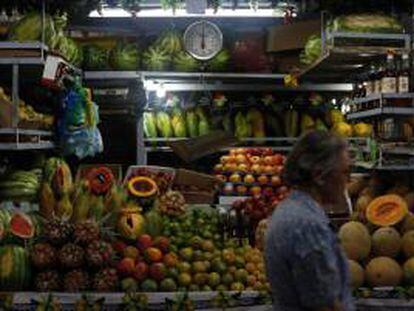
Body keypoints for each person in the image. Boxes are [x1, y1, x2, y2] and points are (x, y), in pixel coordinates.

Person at [265, 130, 354, 311]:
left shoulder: (288, 209)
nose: (349, 180)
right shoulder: (308, 226)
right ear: (320, 176)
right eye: (345, 172)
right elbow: (324, 304)